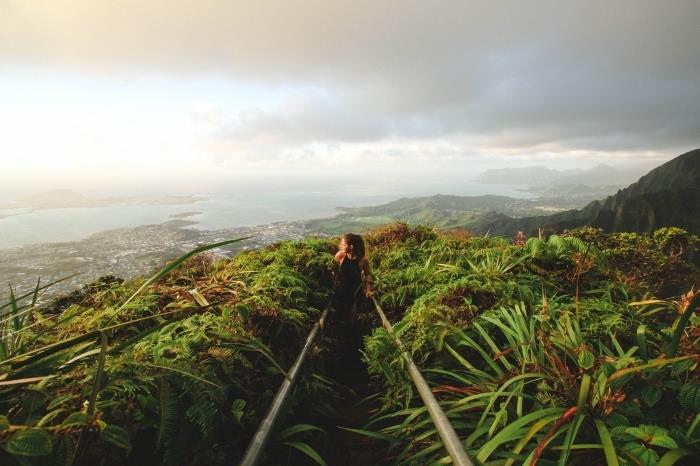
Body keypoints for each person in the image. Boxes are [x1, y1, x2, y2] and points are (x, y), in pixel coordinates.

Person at [333, 233, 373, 326]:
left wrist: (368, 290)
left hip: (355, 290)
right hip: (341, 288)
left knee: (352, 315)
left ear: (351, 246)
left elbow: (367, 275)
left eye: (343, 244)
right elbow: (333, 270)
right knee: (340, 312)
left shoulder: (362, 260)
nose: (340, 246)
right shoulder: (340, 255)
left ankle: (351, 333)